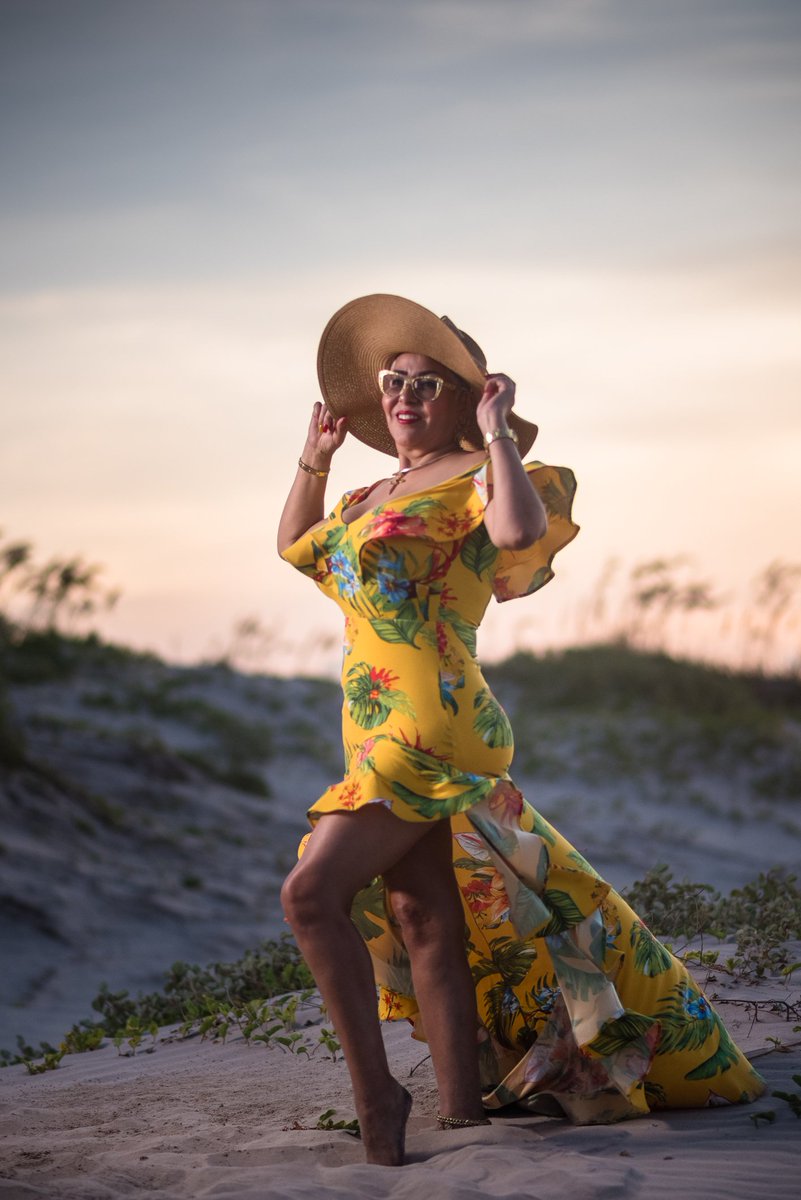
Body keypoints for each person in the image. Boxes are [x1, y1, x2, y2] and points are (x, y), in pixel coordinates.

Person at [277, 294, 764, 1167]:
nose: (403, 395)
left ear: (467, 398)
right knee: (422, 912)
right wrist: (312, 460)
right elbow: (296, 547)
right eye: (393, 381)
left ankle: (377, 1097)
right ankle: (460, 1112)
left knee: (309, 895)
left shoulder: (478, 478)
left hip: (433, 722)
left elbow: (517, 531)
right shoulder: (367, 492)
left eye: (427, 383)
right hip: (368, 722)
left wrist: (497, 433)